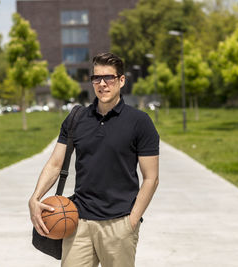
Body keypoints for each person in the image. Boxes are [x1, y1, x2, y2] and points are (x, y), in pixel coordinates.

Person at [28, 52, 160, 267]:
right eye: (96, 78)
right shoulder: (76, 119)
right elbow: (54, 164)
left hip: (119, 224)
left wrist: (132, 221)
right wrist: (35, 198)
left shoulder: (139, 122)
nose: (102, 84)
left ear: (121, 80)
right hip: (78, 222)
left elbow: (151, 178)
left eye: (109, 78)